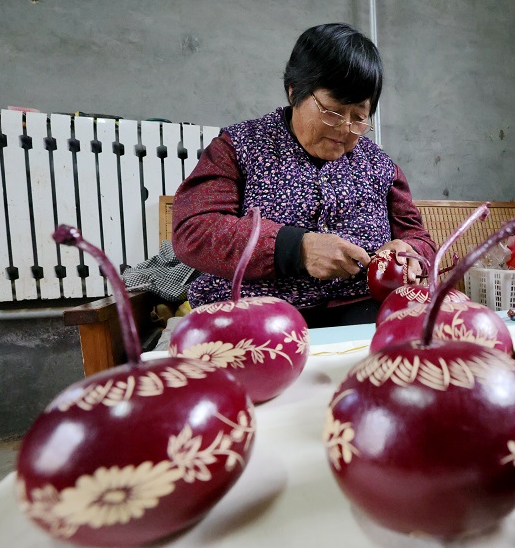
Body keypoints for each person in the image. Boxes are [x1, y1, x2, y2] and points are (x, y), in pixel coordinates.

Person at [172, 23, 436, 328]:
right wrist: (296, 249)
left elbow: (417, 237)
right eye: (333, 112)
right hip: (257, 315)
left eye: (359, 118)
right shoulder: (239, 147)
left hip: (363, 313)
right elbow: (193, 230)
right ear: (294, 90)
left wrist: (411, 253)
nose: (345, 128)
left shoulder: (380, 166)